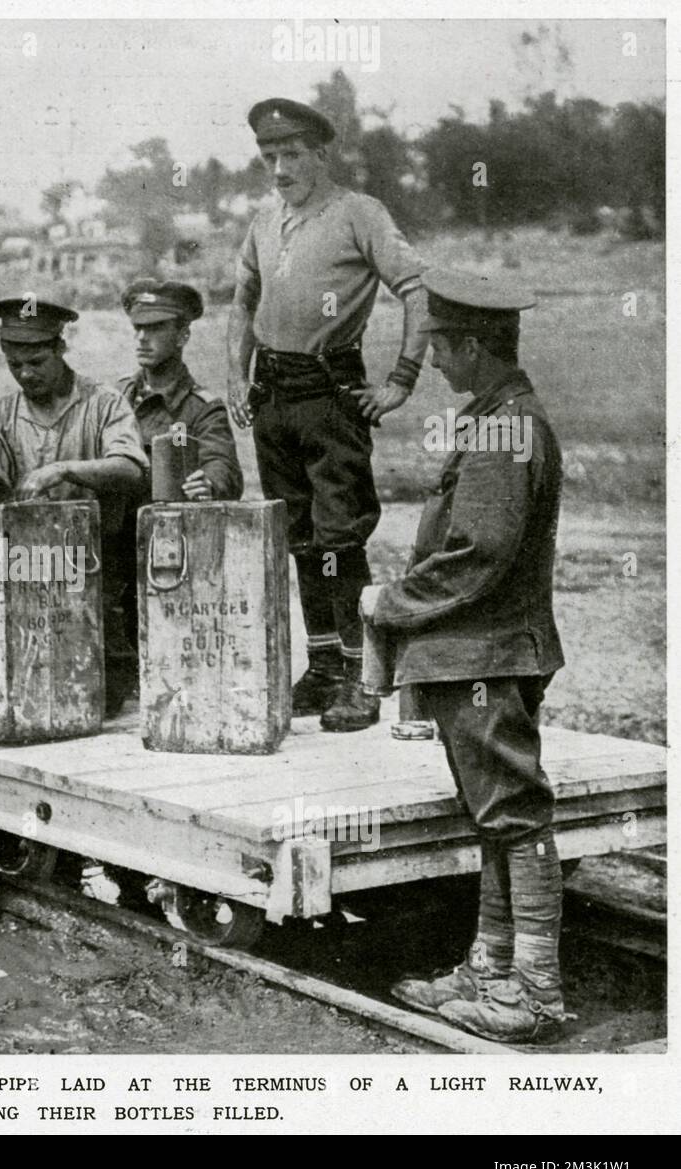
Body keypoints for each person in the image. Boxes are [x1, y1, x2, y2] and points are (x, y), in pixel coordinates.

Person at [368, 267, 567, 1042]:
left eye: (443, 345)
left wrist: (389, 603)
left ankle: (535, 990)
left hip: (483, 653)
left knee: (515, 817)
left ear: (476, 344)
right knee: (497, 817)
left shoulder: (504, 428)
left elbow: (478, 552)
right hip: (476, 652)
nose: (436, 362)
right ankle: (493, 969)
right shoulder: (499, 417)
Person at [226, 97, 429, 732]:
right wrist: (235, 373)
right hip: (273, 396)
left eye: (291, 155)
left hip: (329, 393)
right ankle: (320, 668)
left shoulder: (358, 213)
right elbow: (243, 301)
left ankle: (361, 676)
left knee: (341, 537)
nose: (279, 169)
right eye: (268, 157)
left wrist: (401, 380)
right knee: (300, 539)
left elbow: (415, 290)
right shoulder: (263, 219)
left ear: (321, 154)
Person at [0, 294, 148, 716]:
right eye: (15, 364)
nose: (25, 373)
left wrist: (63, 470)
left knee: (102, 701)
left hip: (96, 577)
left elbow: (130, 468)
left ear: (60, 348)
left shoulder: (104, 403)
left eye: (36, 361)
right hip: (26, 578)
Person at [114, 278, 243, 701]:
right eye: (137, 328)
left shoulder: (200, 407)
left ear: (183, 335)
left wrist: (210, 483)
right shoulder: (114, 399)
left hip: (170, 555)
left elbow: (223, 466)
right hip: (115, 547)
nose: (142, 338)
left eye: (155, 329)